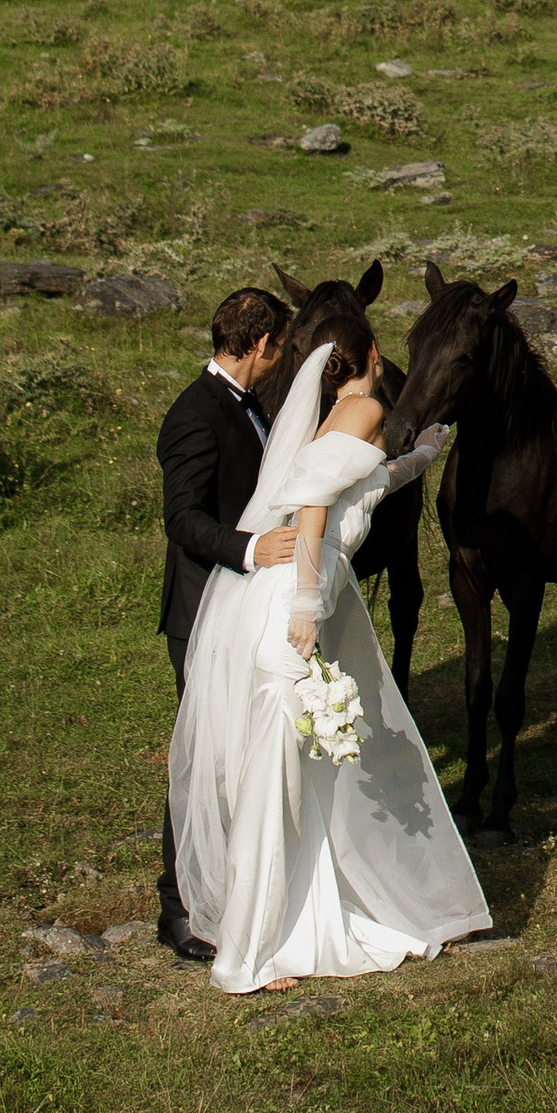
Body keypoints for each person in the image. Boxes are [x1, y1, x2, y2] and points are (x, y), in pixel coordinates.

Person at [167, 309, 489, 994]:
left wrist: (424, 455)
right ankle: (246, 956)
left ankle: (293, 923)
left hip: (285, 598)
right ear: (374, 354)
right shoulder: (366, 409)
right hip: (290, 607)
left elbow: (366, 486)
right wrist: (306, 609)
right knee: (274, 780)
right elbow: (314, 507)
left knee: (295, 774)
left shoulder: (336, 420)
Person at [153, 288, 294, 965]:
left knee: (238, 752)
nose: (282, 357)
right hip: (200, 611)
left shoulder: (250, 405)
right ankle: (177, 907)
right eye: (280, 346)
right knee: (203, 758)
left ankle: (228, 890)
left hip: (242, 608)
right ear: (259, 344)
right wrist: (250, 549)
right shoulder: (195, 414)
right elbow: (181, 519)